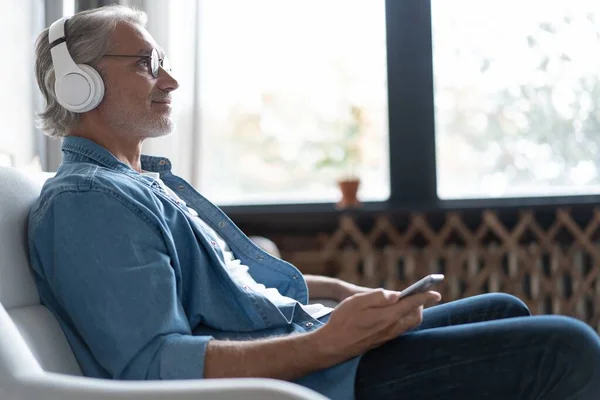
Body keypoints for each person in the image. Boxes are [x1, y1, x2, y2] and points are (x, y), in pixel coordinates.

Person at [28, 5, 600, 400]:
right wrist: (326, 340)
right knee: (567, 348)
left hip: (307, 352)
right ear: (81, 85)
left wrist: (334, 294)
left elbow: (226, 286)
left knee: (502, 307)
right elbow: (153, 366)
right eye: (148, 64)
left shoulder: (141, 184)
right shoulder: (87, 203)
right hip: (295, 382)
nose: (171, 80)